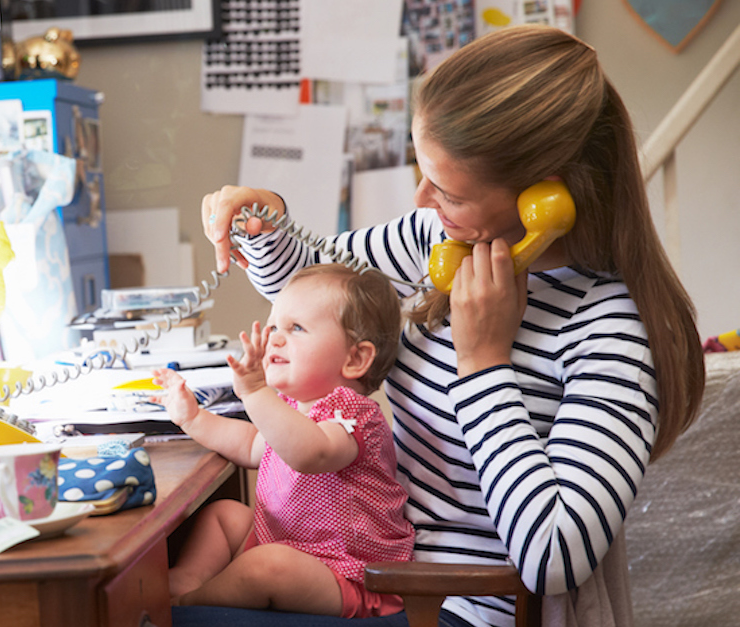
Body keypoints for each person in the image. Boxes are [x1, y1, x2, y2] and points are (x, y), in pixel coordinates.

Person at [196, 24, 704, 627]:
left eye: (449, 191)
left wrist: (483, 363)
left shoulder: (610, 333)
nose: (420, 200)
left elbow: (555, 555)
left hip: (457, 609)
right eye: (424, 172)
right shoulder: (439, 239)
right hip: (378, 576)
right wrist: (265, 219)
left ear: (547, 198)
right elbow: (311, 284)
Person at [153, 263, 414, 619]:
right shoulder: (290, 408)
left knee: (268, 567)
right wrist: (193, 418)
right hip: (286, 545)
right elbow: (249, 444)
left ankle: (192, 602)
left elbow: (310, 452)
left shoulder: (355, 416)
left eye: (297, 328)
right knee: (224, 515)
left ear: (355, 358)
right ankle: (188, 578)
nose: (275, 338)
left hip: (349, 574)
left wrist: (257, 393)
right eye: (274, 325)